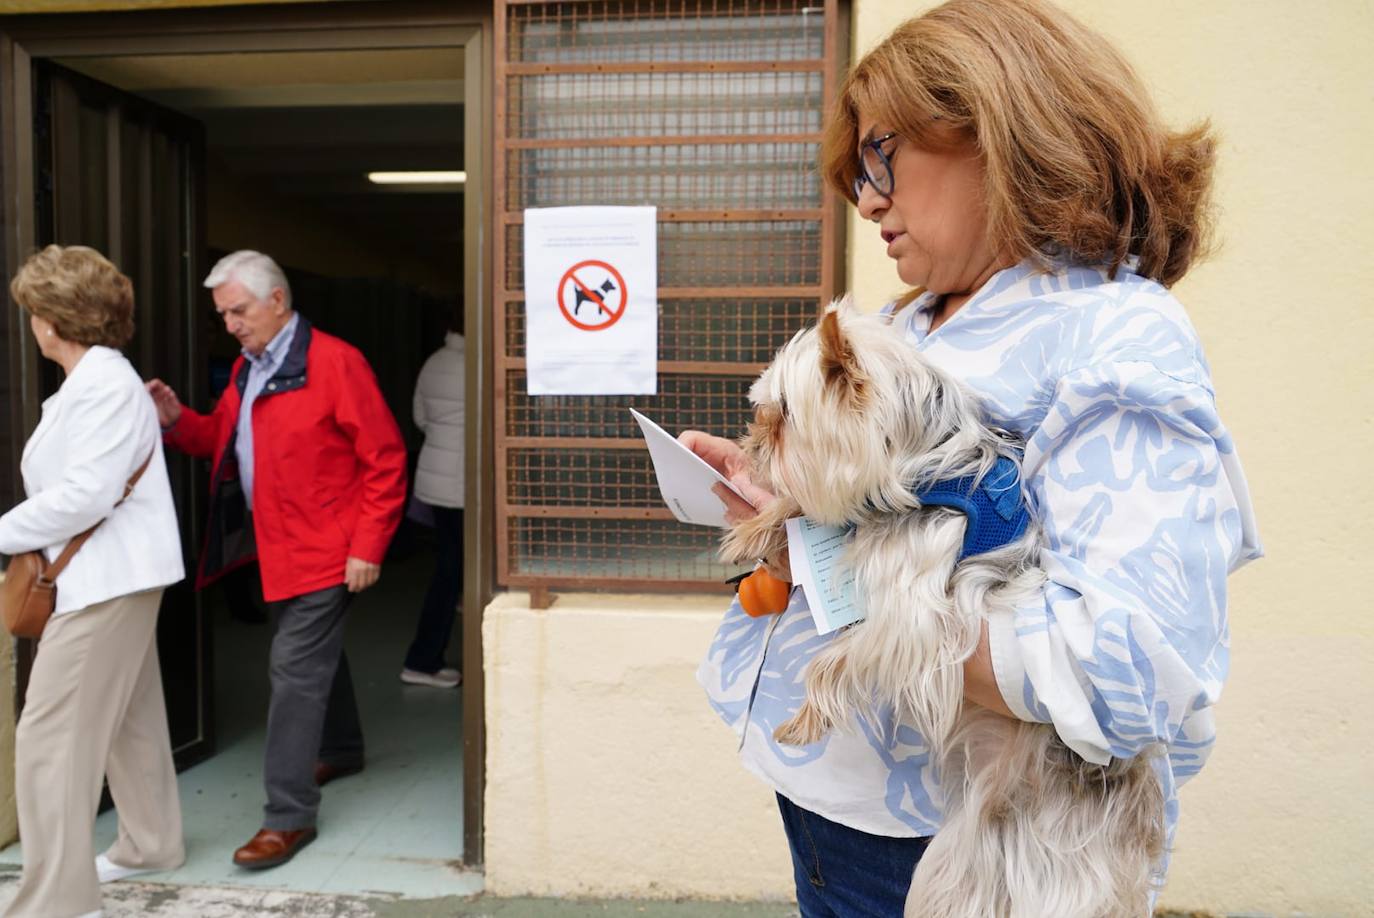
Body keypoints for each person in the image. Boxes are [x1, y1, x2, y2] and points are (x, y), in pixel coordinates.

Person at [686, 0, 1263, 913]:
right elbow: (882, 537)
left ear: (1001, 129)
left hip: (972, 849)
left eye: (884, 155)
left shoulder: (1112, 335)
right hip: (830, 804)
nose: (867, 197)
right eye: (858, 172)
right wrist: (786, 509)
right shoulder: (909, 321)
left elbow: (1123, 673)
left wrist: (859, 576)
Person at [147, 250, 406, 870]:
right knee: (313, 652)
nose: (231, 324)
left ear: (278, 302)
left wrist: (367, 546)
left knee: (292, 670)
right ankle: (341, 747)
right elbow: (222, 441)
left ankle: (287, 816)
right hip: (277, 545)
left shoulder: (334, 363)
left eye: (238, 310)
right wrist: (178, 419)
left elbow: (386, 458)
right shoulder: (249, 369)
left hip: (326, 548)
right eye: (223, 314)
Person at [0, 245, 186, 918]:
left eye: (32, 312)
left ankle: (56, 898)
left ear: (53, 318)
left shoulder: (103, 385)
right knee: (130, 718)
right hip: (115, 577)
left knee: (47, 737)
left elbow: (87, 495)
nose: (30, 323)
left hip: (107, 582)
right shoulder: (96, 382)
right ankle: (151, 844)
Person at [402, 322, 465, 688]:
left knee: (449, 562)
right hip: (462, 483)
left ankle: (460, 600)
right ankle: (422, 661)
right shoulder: (476, 364)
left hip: (435, 477)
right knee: (449, 572)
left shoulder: (434, 361)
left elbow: (420, 419)